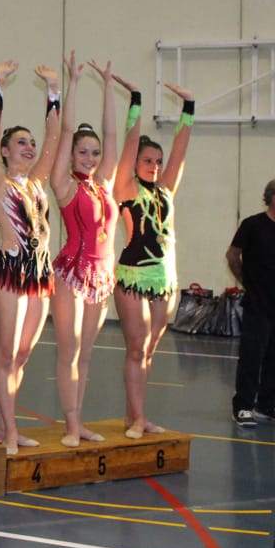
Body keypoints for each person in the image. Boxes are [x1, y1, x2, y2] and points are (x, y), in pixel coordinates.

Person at [48, 54, 137, 447]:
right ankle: (70, 425)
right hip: (71, 274)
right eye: (82, 152)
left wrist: (107, 86)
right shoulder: (64, 184)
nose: (90, 158)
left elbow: (112, 136)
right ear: (71, 155)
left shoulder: (103, 183)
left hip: (101, 279)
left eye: (94, 153)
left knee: (85, 356)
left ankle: (78, 421)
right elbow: (66, 130)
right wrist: (73, 82)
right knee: (68, 353)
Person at [0, 59, 61, 455]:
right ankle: (11, 430)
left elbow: (54, 139)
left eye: (30, 143)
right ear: (5, 151)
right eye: (20, 143)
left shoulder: (37, 182)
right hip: (10, 272)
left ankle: (3, 425)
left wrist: (53, 92)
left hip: (40, 274)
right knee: (7, 353)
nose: (29, 148)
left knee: (24, 354)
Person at [113, 83, 194, 439]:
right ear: (135, 163)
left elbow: (180, 151)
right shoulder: (126, 188)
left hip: (164, 279)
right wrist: (136, 102)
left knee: (148, 352)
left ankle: (134, 415)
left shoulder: (165, 189)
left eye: (158, 162)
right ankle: (138, 419)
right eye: (147, 161)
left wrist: (189, 107)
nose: (155, 167)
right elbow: (130, 143)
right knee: (136, 348)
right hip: (133, 276)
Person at [226, 179, 275, 427]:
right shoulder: (253, 225)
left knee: (273, 359)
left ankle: (266, 406)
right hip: (258, 303)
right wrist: (247, 281)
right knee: (252, 356)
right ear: (271, 197)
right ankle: (242, 406)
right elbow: (233, 255)